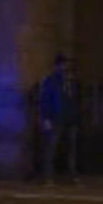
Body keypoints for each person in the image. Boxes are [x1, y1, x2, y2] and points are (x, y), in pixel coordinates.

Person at [38, 54, 78, 184]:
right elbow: (44, 100)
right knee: (51, 148)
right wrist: (45, 118)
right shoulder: (50, 81)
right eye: (62, 64)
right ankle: (48, 177)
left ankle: (71, 177)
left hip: (69, 118)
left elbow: (73, 100)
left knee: (71, 149)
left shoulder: (70, 82)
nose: (65, 67)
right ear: (56, 66)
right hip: (55, 117)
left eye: (66, 64)